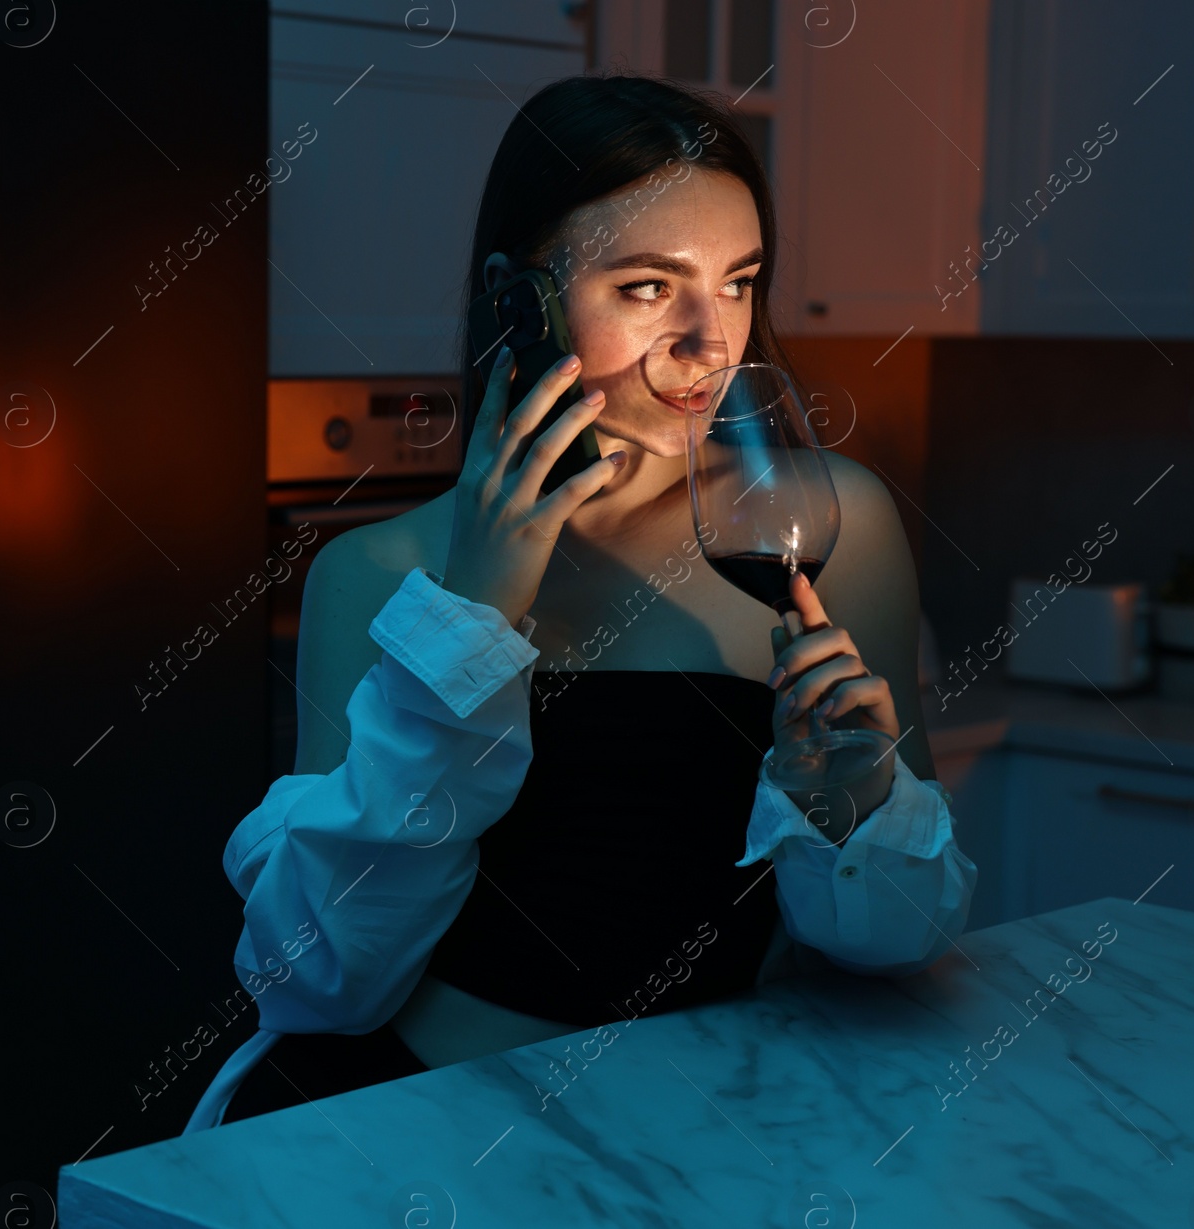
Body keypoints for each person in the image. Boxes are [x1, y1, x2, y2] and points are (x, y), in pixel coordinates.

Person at [186, 72, 976, 1134]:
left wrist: (850, 799)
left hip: (698, 1142)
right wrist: (467, 620)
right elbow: (315, 979)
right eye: (649, 286)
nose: (709, 342)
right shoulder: (377, 573)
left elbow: (900, 942)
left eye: (738, 281)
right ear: (522, 297)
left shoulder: (829, 525)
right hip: (402, 1124)